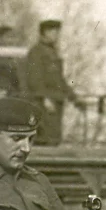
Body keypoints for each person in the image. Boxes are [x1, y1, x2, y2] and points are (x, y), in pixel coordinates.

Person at [25, 19, 82, 147]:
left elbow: (59, 79)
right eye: (53, 32)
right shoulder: (37, 52)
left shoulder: (53, 53)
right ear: (44, 33)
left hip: (56, 101)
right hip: (45, 103)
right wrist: (44, 98)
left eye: (57, 32)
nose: (56, 35)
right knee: (45, 138)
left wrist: (74, 97)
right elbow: (35, 78)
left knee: (54, 138)